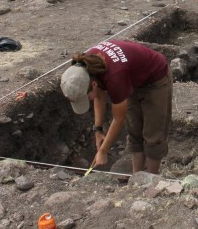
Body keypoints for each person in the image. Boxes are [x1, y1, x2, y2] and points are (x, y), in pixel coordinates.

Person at [60, 39, 173, 174]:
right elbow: (99, 95)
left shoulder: (115, 77)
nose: (88, 101)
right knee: (134, 130)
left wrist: (103, 151)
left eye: (85, 98)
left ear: (93, 85)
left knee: (153, 135)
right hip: (132, 78)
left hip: (155, 78)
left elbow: (118, 119)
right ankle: (136, 177)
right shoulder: (85, 67)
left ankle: (151, 180)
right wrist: (98, 130)